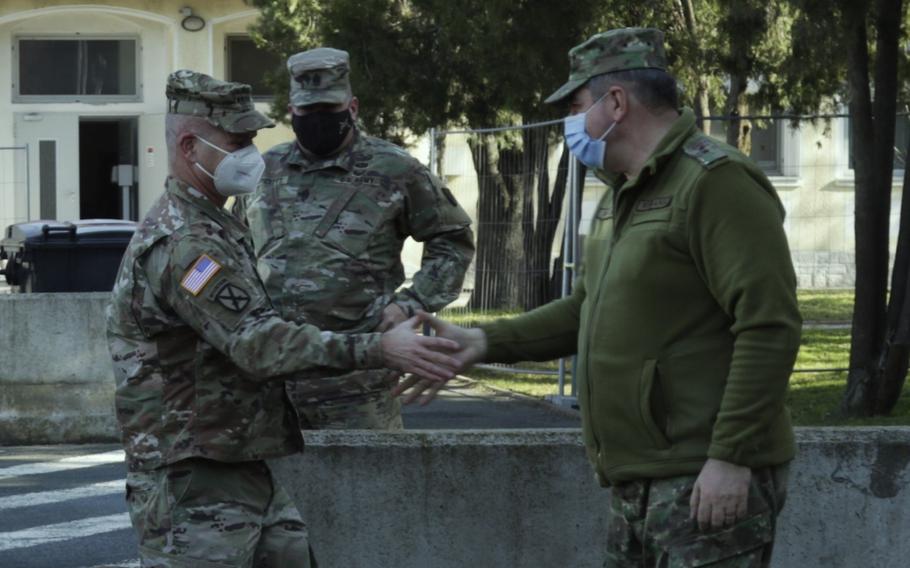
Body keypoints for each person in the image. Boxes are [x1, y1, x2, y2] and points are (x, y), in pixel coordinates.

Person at [396, 28, 801, 567]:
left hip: (703, 475)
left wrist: (732, 457)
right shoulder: (622, 193)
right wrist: (482, 339)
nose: (568, 121)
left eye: (574, 104)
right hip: (637, 479)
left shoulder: (715, 182)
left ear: (616, 102)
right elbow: (584, 307)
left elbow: (769, 325)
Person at [106, 70, 460, 568]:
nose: (252, 152)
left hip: (242, 462)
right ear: (190, 147)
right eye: (237, 141)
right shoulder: (188, 246)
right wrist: (378, 349)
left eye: (253, 138)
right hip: (194, 481)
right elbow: (258, 342)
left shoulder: (213, 224)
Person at [234, 47, 474, 430]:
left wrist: (409, 305)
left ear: (353, 108)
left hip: (359, 387)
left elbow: (452, 240)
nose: (317, 120)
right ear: (291, 111)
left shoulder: (395, 169)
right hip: (270, 384)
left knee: (371, 488)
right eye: (306, 112)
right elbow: (236, 247)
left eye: (328, 111)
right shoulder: (264, 170)